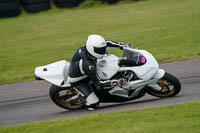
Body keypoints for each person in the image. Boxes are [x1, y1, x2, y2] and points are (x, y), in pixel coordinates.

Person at [68, 34, 129, 110]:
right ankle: (80, 97)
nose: (103, 51)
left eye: (103, 49)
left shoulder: (90, 48)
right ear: (92, 49)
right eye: (100, 50)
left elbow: (107, 43)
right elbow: (99, 83)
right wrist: (116, 82)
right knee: (94, 104)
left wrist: (122, 45)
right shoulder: (88, 65)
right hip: (79, 80)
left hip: (86, 70)